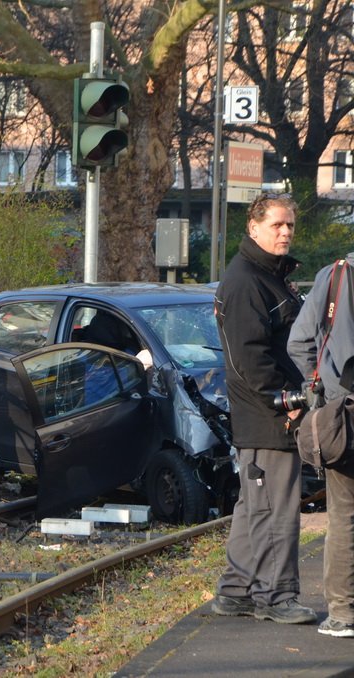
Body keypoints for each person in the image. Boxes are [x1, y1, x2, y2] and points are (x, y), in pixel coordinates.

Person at [210, 191, 316, 624]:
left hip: (266, 414)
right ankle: (276, 597)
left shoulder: (266, 276)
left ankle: (236, 591)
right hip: (268, 415)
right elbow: (248, 356)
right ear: (253, 228)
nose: (286, 232)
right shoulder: (246, 281)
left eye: (289, 224)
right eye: (277, 225)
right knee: (276, 507)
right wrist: (284, 400)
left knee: (256, 505)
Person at [288, 252, 354, 637]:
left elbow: (299, 343)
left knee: (344, 515)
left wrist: (330, 392)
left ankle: (344, 612)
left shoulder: (334, 277)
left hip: (344, 413)